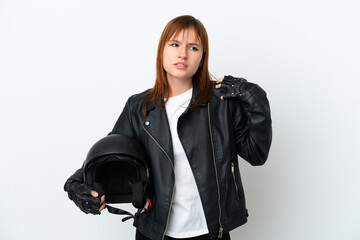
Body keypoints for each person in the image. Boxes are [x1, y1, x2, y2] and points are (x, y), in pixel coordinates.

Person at [64, 15, 272, 240]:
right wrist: (76, 184)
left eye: (193, 47)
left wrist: (254, 97)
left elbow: (256, 154)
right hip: (154, 231)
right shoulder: (139, 107)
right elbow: (110, 152)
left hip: (211, 232)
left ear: (202, 58)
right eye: (175, 44)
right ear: (162, 51)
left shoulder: (221, 102)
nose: (183, 54)